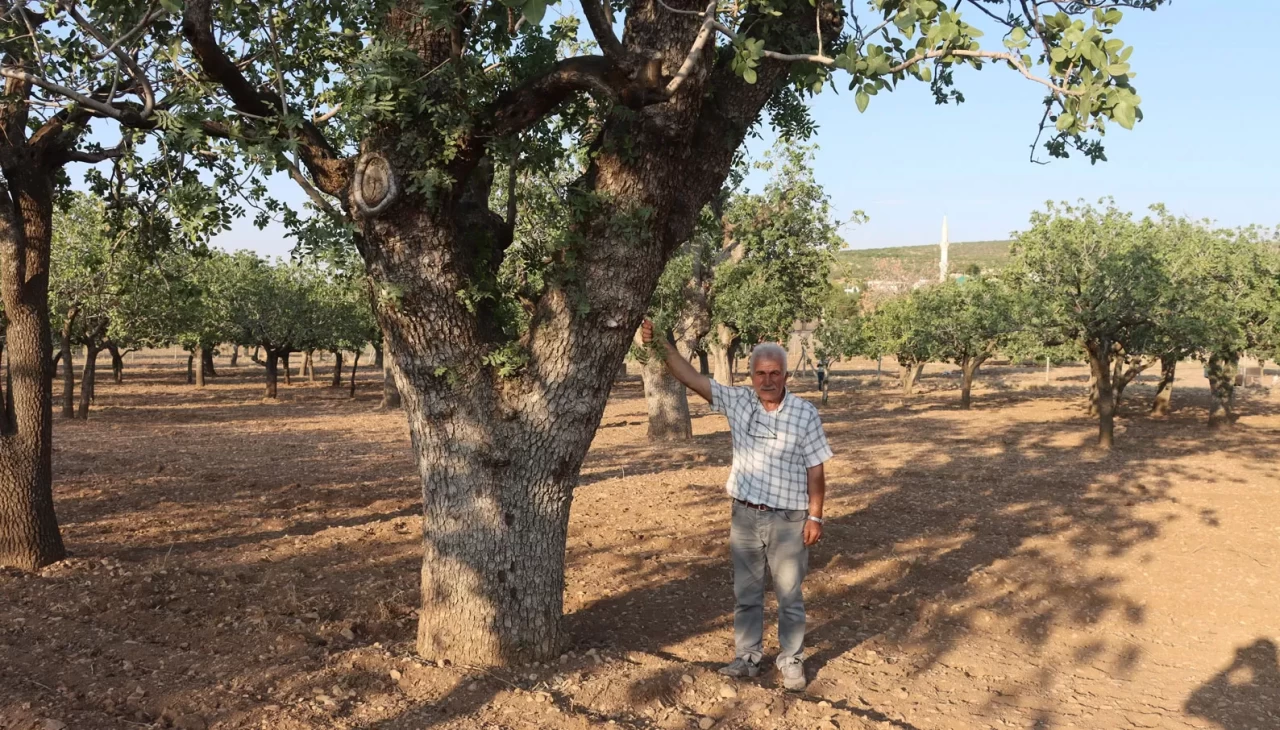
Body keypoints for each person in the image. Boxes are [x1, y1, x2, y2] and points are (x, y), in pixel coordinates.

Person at [641, 319, 833, 691]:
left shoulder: (805, 413)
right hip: (745, 516)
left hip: (789, 520)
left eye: (774, 373)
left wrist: (815, 515)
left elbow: (816, 468)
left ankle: (792, 660)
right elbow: (690, 377)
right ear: (751, 375)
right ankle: (747, 658)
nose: (767, 380)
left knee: (790, 595)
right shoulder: (739, 401)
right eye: (760, 373)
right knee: (746, 594)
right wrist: (661, 345)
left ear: (786, 374)